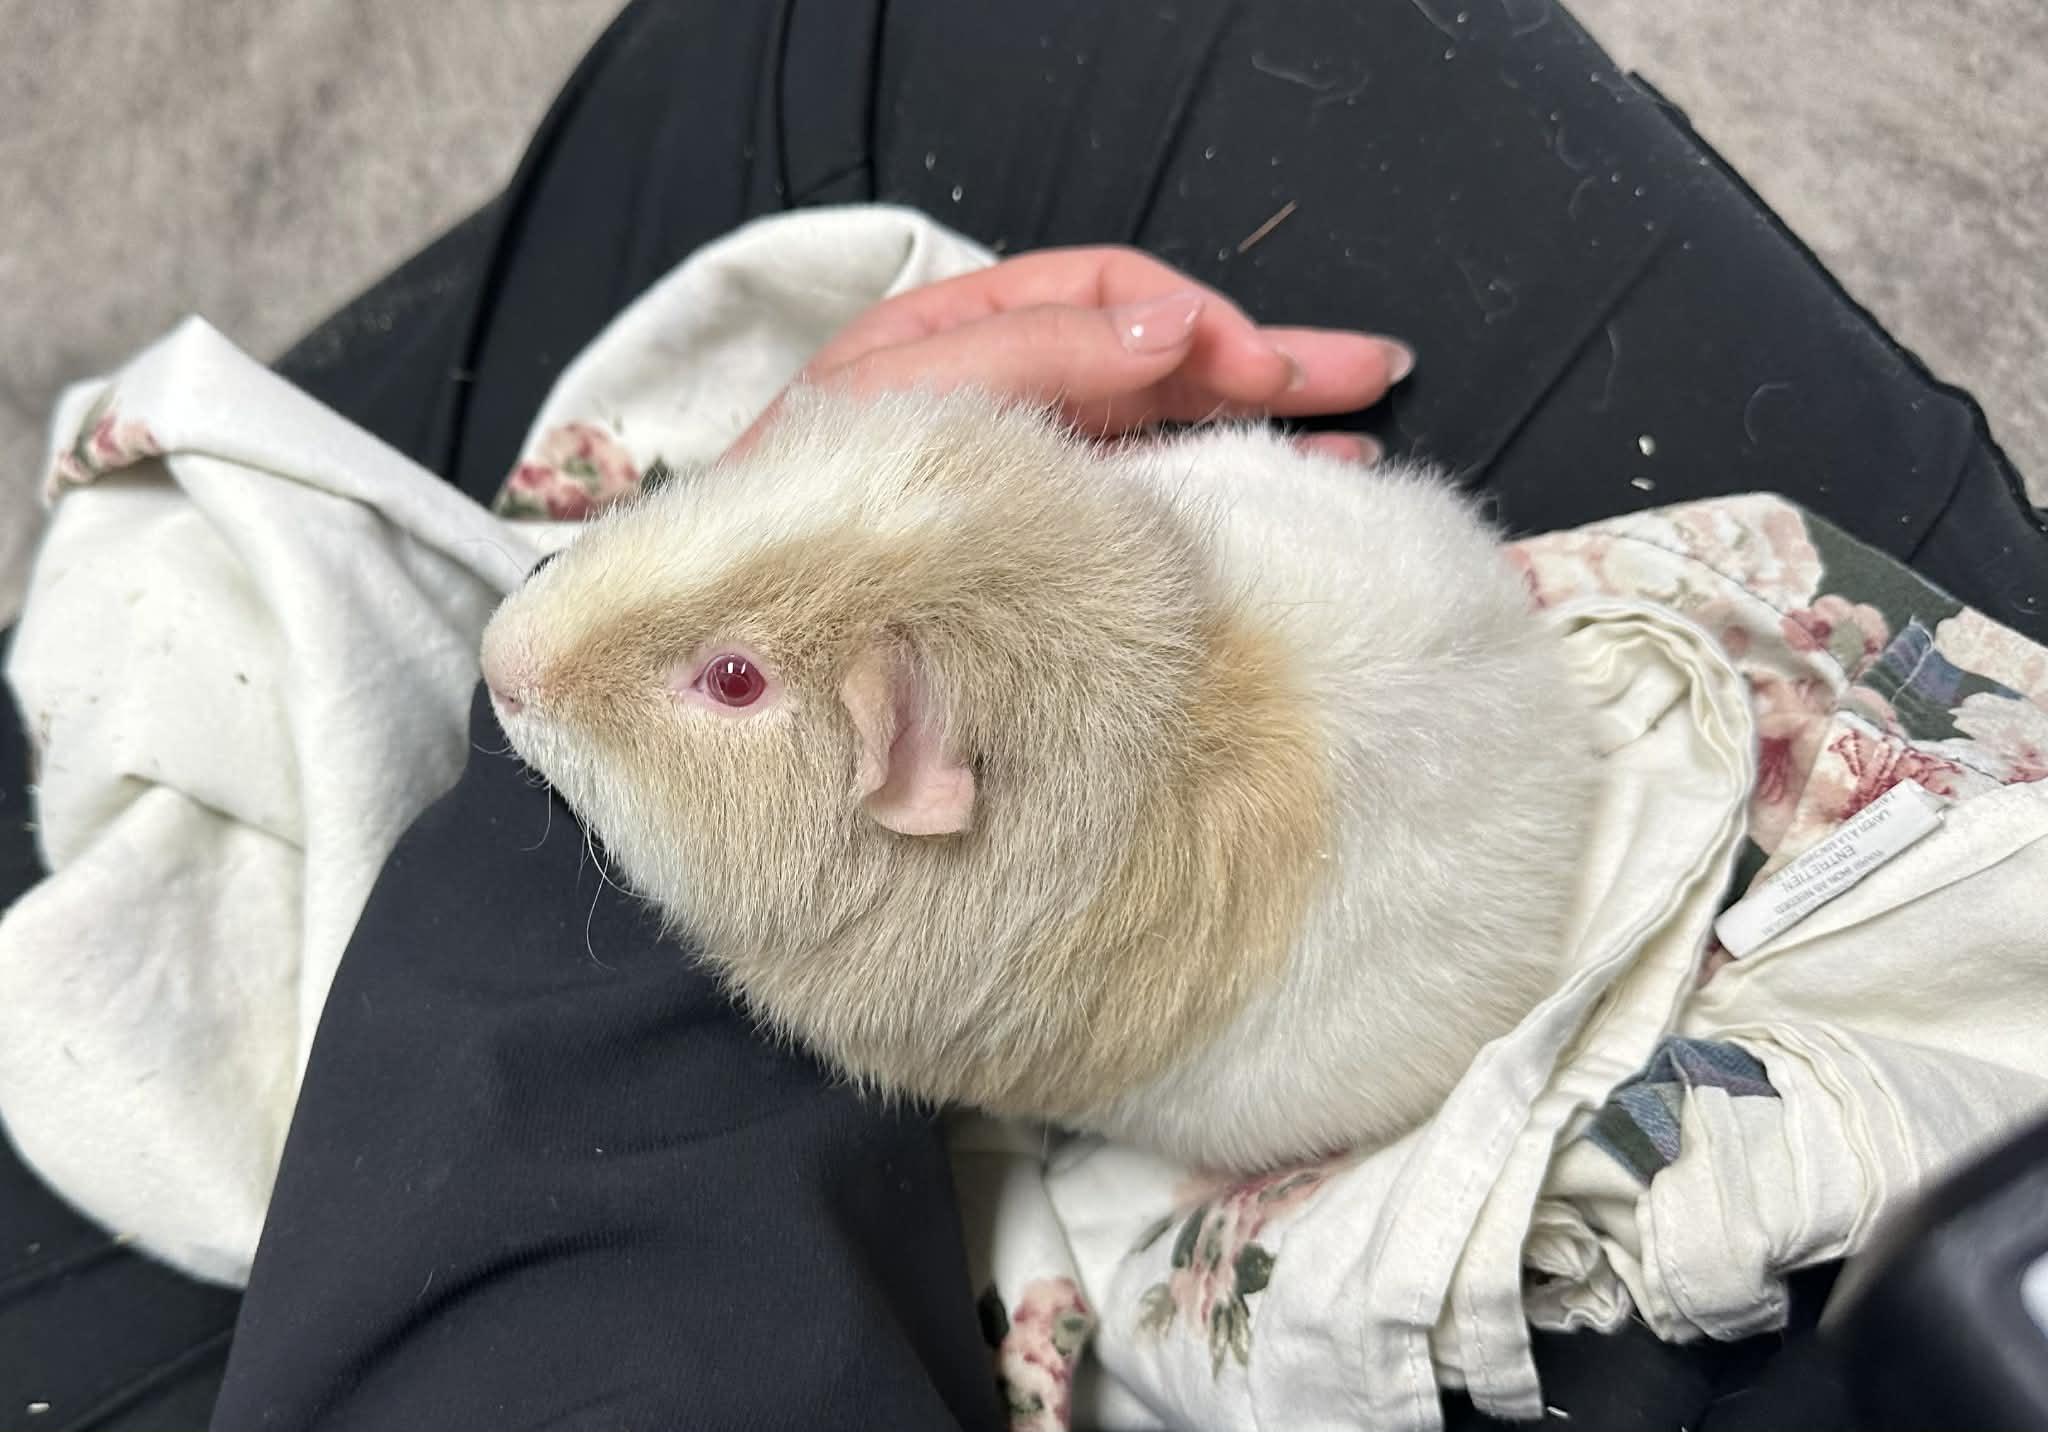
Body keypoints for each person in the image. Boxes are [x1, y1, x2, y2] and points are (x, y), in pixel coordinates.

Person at [4, 1, 2041, 1428]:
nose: (527, 651)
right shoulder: (942, 773)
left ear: (915, 772)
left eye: (729, 687)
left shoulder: (933, 928)